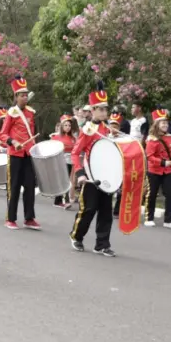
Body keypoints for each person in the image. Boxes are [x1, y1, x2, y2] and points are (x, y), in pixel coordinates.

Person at [69, 83, 116, 257]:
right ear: (93, 110)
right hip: (90, 175)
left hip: (106, 175)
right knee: (88, 209)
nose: (105, 113)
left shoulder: (108, 128)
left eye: (106, 109)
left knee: (106, 211)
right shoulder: (87, 130)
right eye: (101, 109)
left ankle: (102, 244)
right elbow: (75, 153)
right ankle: (77, 236)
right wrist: (80, 174)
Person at [0, 75, 41, 230]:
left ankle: (29, 218)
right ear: (16, 96)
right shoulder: (11, 113)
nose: (25, 97)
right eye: (22, 95)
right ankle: (10, 218)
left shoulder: (31, 112)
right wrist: (13, 142)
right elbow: (2, 134)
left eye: (26, 94)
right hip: (15, 154)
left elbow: (32, 132)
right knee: (14, 186)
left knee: (30, 186)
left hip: (28, 154)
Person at [144, 108, 171, 229]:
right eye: (162, 122)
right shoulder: (151, 139)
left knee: (170, 194)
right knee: (152, 194)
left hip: (168, 170)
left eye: (166, 122)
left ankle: (169, 220)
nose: (165, 125)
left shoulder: (170, 137)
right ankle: (149, 218)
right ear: (156, 124)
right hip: (154, 170)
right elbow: (149, 156)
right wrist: (163, 162)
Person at [50, 114, 76, 209]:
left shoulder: (73, 138)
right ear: (61, 126)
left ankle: (58, 201)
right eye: (66, 125)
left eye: (69, 125)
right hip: (60, 161)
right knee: (64, 180)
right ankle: (66, 201)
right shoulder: (55, 137)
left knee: (64, 180)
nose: (68, 127)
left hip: (69, 161)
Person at [108, 112, 124, 218]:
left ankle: (117, 210)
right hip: (108, 166)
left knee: (120, 189)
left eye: (116, 126)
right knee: (108, 189)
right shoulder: (104, 136)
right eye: (112, 125)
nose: (113, 128)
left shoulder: (124, 138)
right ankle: (106, 209)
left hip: (120, 166)